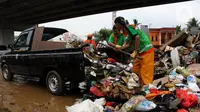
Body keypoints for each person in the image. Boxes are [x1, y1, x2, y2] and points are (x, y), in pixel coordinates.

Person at [114, 16, 154, 85]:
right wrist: (120, 48)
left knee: (146, 72)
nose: (115, 26)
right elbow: (129, 44)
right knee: (135, 70)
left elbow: (137, 37)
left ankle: (147, 89)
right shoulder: (127, 31)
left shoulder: (128, 27)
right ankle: (139, 85)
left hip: (146, 50)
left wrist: (135, 51)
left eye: (116, 24)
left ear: (119, 24)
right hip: (141, 52)